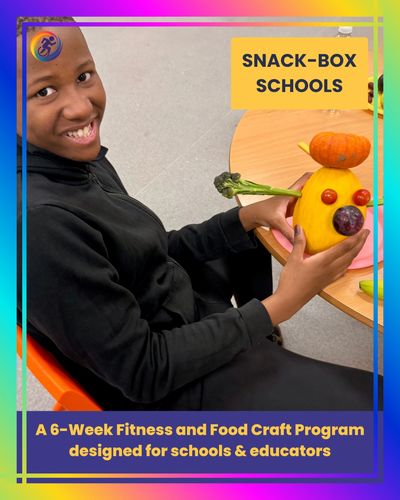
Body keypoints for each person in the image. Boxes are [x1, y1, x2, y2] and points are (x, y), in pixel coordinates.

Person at [17, 18, 381, 410]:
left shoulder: (63, 155)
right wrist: (284, 302)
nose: (80, 105)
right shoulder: (41, 225)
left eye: (84, 75)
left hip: (168, 309)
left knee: (248, 235)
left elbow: (146, 252)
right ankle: (257, 355)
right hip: (169, 389)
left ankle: (259, 341)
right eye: (45, 91)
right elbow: (145, 373)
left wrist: (248, 216)